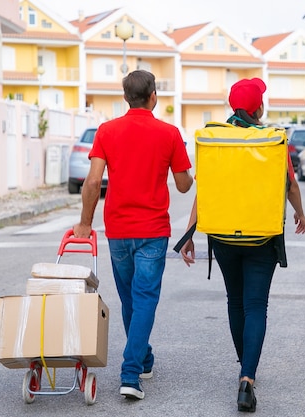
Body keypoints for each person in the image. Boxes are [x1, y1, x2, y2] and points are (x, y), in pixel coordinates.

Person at [179, 78, 305, 412]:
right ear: (259, 108)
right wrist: (300, 214)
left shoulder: (217, 140)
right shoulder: (271, 141)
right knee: (256, 305)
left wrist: (190, 233)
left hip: (222, 236)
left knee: (235, 302)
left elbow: (203, 190)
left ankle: (245, 365)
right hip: (262, 238)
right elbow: (290, 186)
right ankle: (247, 377)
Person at [73, 70, 193, 400]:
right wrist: (181, 162)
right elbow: (183, 185)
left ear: (126, 98)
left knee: (130, 300)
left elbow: (94, 182)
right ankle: (130, 373)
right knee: (144, 301)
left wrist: (85, 223)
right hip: (153, 232)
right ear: (153, 96)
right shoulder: (169, 133)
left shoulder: (107, 131)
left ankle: (145, 358)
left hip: (119, 230)